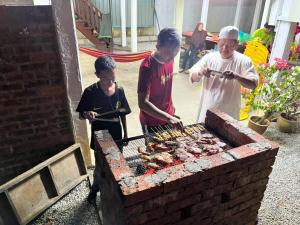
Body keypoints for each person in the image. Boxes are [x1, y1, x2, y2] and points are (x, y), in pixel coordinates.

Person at [76, 55, 131, 204]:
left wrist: (126, 133)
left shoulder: (119, 89)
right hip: (101, 135)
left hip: (116, 132)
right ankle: (95, 190)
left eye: (112, 78)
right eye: (106, 79)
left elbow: (123, 113)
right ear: (98, 75)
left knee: (117, 163)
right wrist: (87, 113)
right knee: (100, 167)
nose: (110, 82)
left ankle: (117, 191)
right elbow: (81, 115)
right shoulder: (90, 92)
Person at [190, 26, 259, 123]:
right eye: (222, 44)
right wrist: (201, 72)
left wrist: (236, 76)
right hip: (208, 109)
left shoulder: (244, 61)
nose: (224, 48)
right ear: (218, 42)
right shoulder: (209, 57)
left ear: (236, 45)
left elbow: (253, 84)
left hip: (229, 114)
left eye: (229, 45)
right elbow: (193, 78)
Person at [138, 28, 182, 134]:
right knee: (155, 149)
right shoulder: (147, 67)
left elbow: (165, 87)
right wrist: (168, 117)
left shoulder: (170, 57)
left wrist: (171, 107)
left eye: (175, 53)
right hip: (152, 121)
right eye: (168, 53)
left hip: (168, 115)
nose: (171, 58)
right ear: (158, 47)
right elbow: (142, 103)